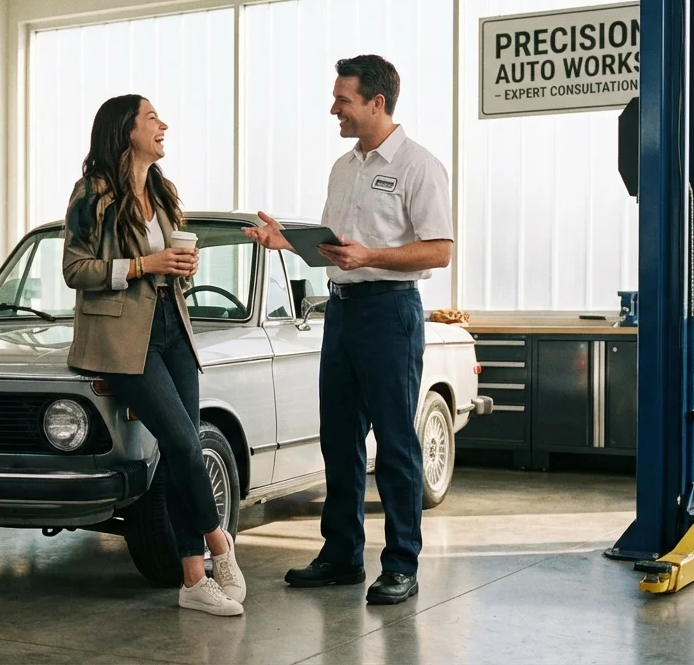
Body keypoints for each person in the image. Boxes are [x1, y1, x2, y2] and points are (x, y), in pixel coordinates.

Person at [242, 54, 453, 605]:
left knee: (397, 443)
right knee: (338, 438)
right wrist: (287, 240)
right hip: (340, 311)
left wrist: (372, 257)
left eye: (343, 99)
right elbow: (338, 248)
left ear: (376, 102)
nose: (333, 107)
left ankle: (401, 563)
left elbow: (440, 250)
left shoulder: (419, 166)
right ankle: (340, 555)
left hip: (390, 312)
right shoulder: (343, 167)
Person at [61, 94, 247, 617]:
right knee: (187, 443)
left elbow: (166, 262)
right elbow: (76, 270)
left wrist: (177, 267)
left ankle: (193, 581)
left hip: (172, 327)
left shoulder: (161, 191)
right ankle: (219, 544)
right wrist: (144, 264)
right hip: (124, 339)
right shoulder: (92, 193)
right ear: (126, 131)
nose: (163, 125)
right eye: (151, 119)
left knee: (179, 449)